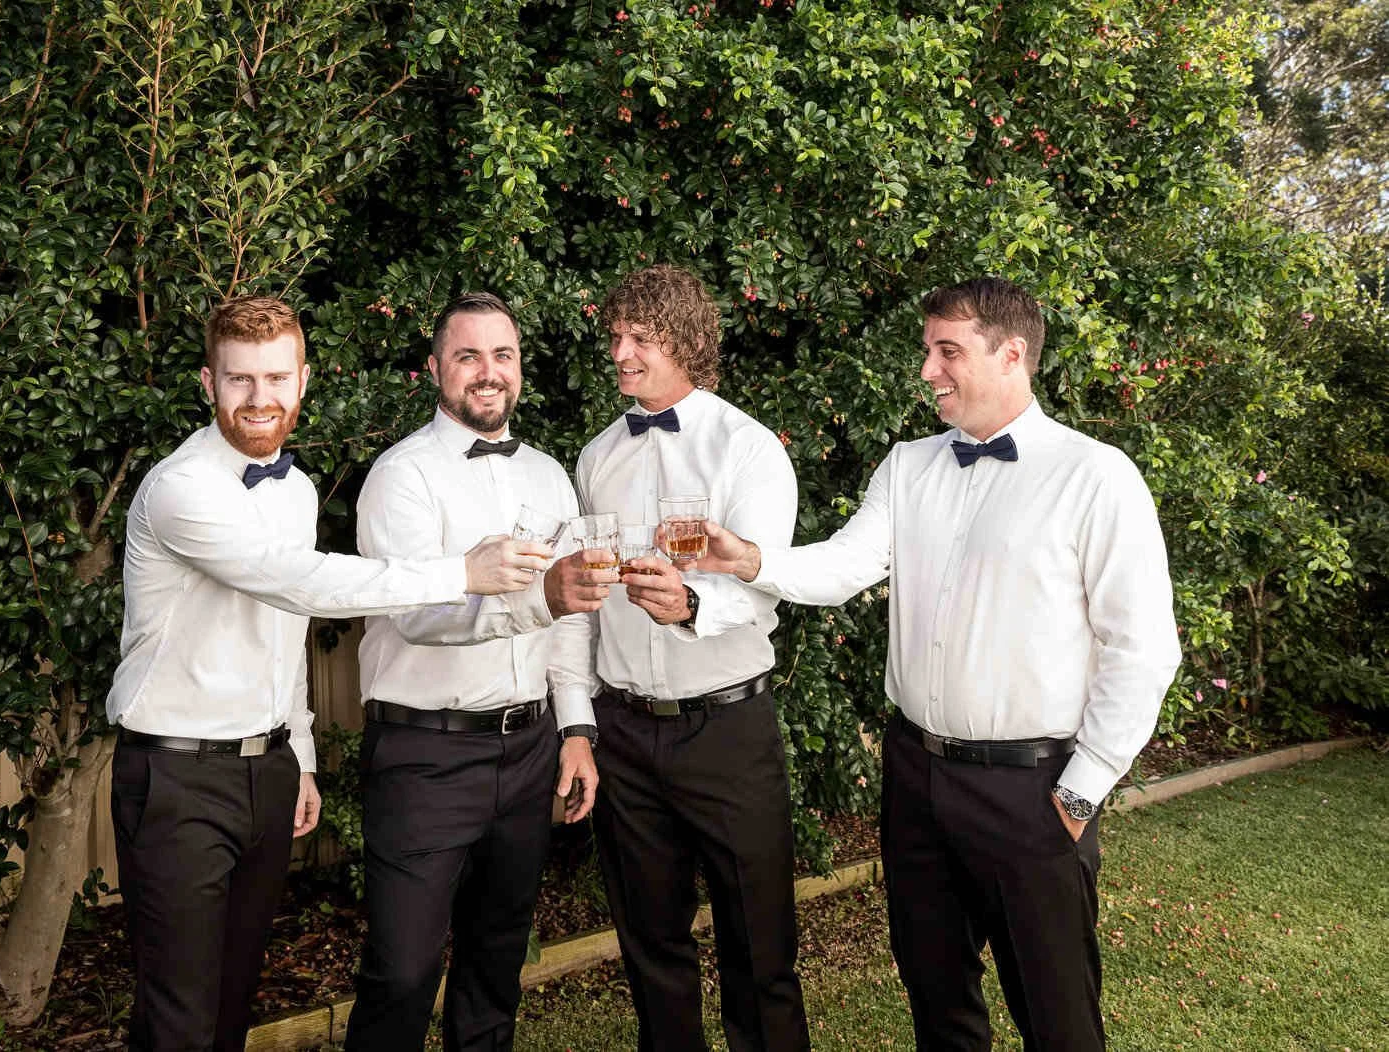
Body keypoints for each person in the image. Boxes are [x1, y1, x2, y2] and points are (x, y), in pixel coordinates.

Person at [697, 277, 1183, 1051]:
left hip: (1032, 792)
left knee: (1057, 1019)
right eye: (928, 351)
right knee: (937, 1003)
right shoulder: (908, 465)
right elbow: (846, 565)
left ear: (1011, 354)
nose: (928, 371)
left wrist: (1081, 791)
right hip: (917, 779)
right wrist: (752, 560)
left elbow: (1143, 646)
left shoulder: (1096, 476)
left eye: (947, 351)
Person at [106, 295, 548, 1052]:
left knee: (233, 1004)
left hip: (266, 767)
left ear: (303, 381)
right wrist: (461, 573)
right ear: (208, 383)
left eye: (277, 378)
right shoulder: (181, 488)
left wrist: (300, 752)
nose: (260, 398)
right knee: (178, 1017)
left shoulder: (297, 488)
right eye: (240, 379)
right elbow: (301, 585)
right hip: (177, 774)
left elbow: (285, 634)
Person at [553, 264, 811, 1051]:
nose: (620, 353)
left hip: (727, 731)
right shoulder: (597, 457)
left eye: (641, 337)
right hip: (626, 734)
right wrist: (580, 724)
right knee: (651, 947)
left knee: (760, 949)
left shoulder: (747, 449)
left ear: (688, 341)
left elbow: (763, 587)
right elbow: (579, 608)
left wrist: (693, 604)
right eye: (615, 336)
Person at [342, 292, 606, 1052]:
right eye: (468, 356)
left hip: (527, 752)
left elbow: (572, 617)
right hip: (424, 753)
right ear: (435, 369)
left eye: (503, 355)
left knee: (496, 963)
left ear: (519, 367)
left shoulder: (551, 477)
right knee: (401, 972)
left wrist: (576, 727)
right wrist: (538, 599)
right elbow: (415, 615)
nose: (488, 373)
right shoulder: (401, 477)